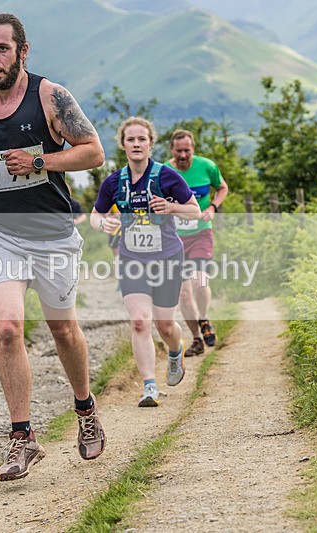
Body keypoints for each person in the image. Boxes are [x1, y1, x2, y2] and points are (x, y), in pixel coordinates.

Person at [0, 12, 107, 481]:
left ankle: (85, 408)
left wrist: (40, 158)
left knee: (62, 330)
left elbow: (93, 150)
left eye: (2, 49)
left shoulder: (50, 96)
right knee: (8, 329)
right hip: (0, 232)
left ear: (22, 50)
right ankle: (22, 438)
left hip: (53, 233)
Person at [90, 117, 200, 407]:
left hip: (167, 258)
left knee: (165, 326)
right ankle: (149, 386)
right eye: (131, 140)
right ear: (123, 144)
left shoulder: (167, 177)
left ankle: (176, 351)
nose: (136, 144)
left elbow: (195, 212)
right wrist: (106, 225)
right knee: (139, 321)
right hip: (132, 259)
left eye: (142, 139)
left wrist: (171, 206)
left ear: (151, 143)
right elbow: (95, 215)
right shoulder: (114, 181)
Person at [165, 129, 229, 357]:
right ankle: (196, 339)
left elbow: (222, 187)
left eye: (187, 150)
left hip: (201, 232)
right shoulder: (165, 171)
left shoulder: (206, 166)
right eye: (179, 151)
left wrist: (212, 208)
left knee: (200, 283)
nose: (183, 155)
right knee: (183, 293)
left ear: (193, 149)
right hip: (174, 237)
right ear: (172, 150)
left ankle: (204, 318)